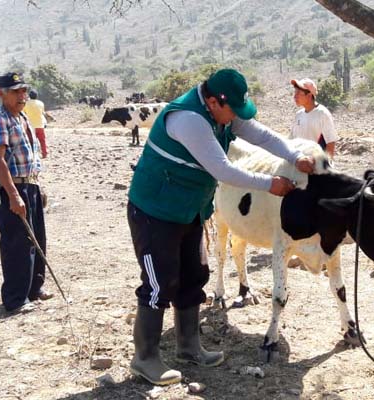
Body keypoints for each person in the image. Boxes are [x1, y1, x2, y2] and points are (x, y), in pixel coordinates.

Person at [126, 69, 315, 386]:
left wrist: (295, 156)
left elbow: (262, 135)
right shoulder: (189, 120)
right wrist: (271, 184)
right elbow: (222, 170)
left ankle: (188, 346)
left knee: (193, 275)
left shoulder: (222, 113)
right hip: (155, 211)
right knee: (160, 282)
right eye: (232, 113)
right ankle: (145, 358)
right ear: (213, 101)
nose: (235, 120)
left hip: (189, 210)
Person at [0, 72, 53, 314]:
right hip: (12, 187)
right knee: (16, 242)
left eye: (24, 91)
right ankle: (15, 298)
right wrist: (14, 195)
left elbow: (31, 157)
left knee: (36, 238)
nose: (22, 96)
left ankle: (34, 289)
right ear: (1, 93)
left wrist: (37, 185)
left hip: (29, 184)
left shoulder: (22, 117)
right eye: (16, 91)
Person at [290, 78, 338, 158]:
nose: (295, 96)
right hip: (299, 164)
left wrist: (327, 166)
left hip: (316, 166)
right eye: (295, 92)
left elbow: (330, 143)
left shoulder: (322, 114)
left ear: (309, 96)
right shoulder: (298, 115)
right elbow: (292, 139)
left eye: (298, 93)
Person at [23, 89, 51, 158]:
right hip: (40, 125)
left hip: (30, 126)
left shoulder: (26, 104)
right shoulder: (41, 103)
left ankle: (33, 155)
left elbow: (23, 113)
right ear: (37, 96)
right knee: (42, 140)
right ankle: (44, 153)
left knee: (31, 141)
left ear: (29, 95)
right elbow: (42, 113)